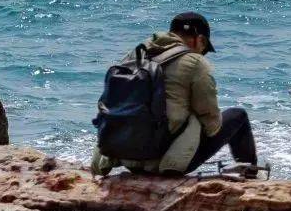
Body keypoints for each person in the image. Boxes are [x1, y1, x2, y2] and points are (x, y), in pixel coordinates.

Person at [92, 11, 258, 176]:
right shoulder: (195, 62)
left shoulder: (135, 55)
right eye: (204, 48)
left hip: (126, 157)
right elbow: (211, 122)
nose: (202, 52)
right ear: (200, 39)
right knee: (238, 116)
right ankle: (252, 176)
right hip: (165, 163)